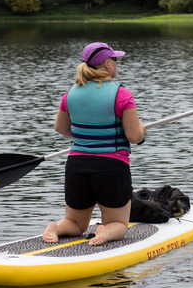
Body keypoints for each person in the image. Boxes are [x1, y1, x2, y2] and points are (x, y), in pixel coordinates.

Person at [43, 42, 146, 246]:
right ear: (107, 64)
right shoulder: (122, 94)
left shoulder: (70, 94)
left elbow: (61, 128)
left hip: (77, 166)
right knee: (119, 223)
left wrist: (87, 138)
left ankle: (56, 227)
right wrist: (142, 129)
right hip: (111, 167)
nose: (117, 64)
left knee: (75, 223)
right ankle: (105, 231)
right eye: (115, 60)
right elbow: (134, 136)